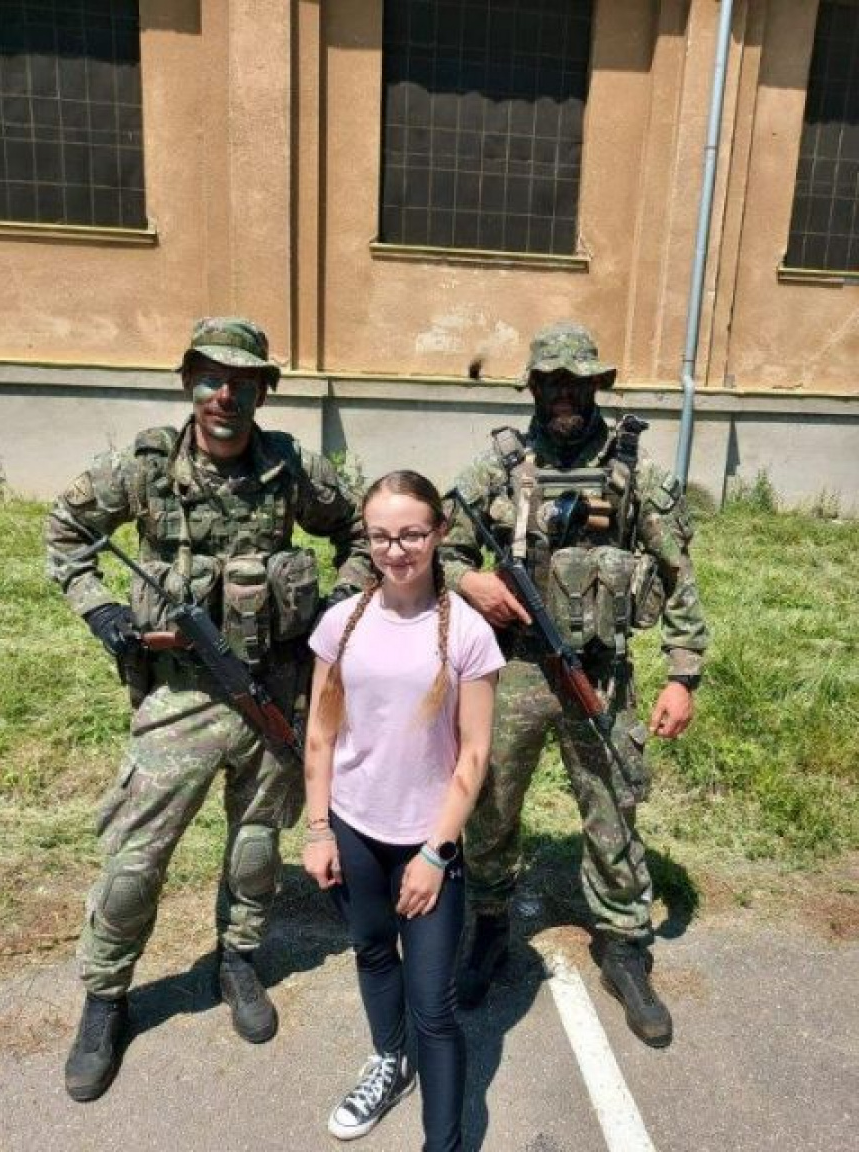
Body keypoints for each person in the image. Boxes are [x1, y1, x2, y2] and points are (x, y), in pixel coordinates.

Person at [46, 317, 371, 1102]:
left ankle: (238, 960)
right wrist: (99, 608)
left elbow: (359, 529)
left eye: (243, 382)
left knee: (256, 846)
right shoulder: (145, 468)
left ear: (263, 392)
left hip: (271, 691)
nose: (225, 395)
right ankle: (106, 997)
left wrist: (339, 604)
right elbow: (65, 533)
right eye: (211, 378)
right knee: (134, 861)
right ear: (189, 381)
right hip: (181, 694)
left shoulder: (292, 468)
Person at [441, 322, 708, 1047]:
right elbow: (439, 549)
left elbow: (679, 575)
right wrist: (470, 582)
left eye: (577, 383)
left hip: (602, 673)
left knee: (613, 805)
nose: (565, 394)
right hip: (516, 670)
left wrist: (683, 674)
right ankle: (488, 925)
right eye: (551, 382)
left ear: (595, 387)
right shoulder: (496, 470)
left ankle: (623, 945)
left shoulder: (634, 473)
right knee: (490, 803)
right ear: (533, 388)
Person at [303, 471, 504, 1152]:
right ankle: (388, 1062)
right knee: (370, 952)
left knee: (435, 1010)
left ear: (439, 533)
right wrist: (319, 829)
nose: (396, 550)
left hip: (427, 842)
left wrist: (435, 853)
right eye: (381, 536)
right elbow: (320, 734)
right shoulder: (341, 623)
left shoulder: (468, 633)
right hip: (353, 831)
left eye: (412, 534)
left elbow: (474, 753)